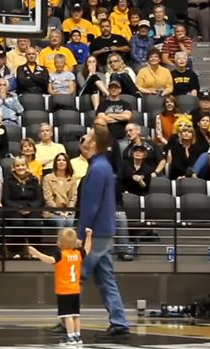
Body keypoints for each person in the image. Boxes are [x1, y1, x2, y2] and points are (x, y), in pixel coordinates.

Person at [77, 123, 130, 337]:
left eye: (87, 136)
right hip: (103, 231)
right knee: (106, 278)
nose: (83, 138)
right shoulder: (102, 165)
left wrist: (81, 235)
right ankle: (119, 322)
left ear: (94, 143)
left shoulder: (98, 168)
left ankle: (67, 319)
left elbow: (91, 206)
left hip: (95, 234)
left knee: (75, 276)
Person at [28, 228, 92, 346]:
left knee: (67, 316)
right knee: (76, 315)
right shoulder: (78, 253)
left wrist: (37, 254)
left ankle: (70, 337)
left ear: (60, 243)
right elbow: (87, 249)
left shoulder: (60, 255)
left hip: (64, 291)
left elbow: (49, 260)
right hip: (75, 290)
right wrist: (89, 236)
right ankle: (78, 336)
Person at [2, 156, 43, 259]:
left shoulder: (34, 180)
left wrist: (30, 208)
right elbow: (6, 200)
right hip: (14, 208)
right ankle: (16, 252)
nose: (20, 168)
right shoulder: (8, 181)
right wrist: (19, 208)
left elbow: (40, 199)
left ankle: (35, 252)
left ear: (27, 167)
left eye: (23, 165)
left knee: (35, 222)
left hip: (32, 207)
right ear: (13, 168)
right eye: (18, 165)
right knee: (17, 222)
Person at [42, 153, 77, 228]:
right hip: (51, 212)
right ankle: (60, 240)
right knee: (60, 221)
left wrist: (68, 211)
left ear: (67, 163)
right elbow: (48, 199)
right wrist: (59, 212)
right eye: (59, 160)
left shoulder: (72, 178)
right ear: (55, 163)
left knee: (70, 222)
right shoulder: (48, 178)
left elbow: (73, 197)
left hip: (68, 211)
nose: (61, 162)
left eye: (64, 160)